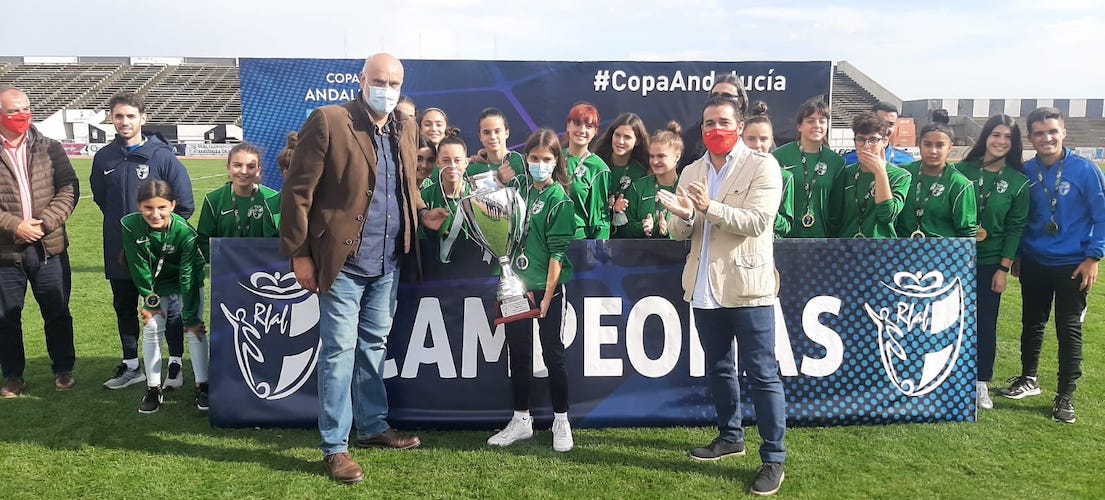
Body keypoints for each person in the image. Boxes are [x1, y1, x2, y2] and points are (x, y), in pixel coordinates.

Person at [280, 53, 448, 484]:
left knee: (373, 347)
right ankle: (335, 447)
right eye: (379, 80)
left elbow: (404, 187)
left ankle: (372, 426)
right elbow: (298, 194)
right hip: (344, 263)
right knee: (338, 353)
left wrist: (423, 212)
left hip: (389, 261)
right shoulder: (329, 120)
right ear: (362, 80)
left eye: (394, 83)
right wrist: (299, 255)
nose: (386, 89)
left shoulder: (406, 127)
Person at [657, 93, 787, 496]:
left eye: (724, 122)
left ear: (740, 124)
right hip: (703, 288)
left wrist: (708, 207)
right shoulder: (692, 169)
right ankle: (731, 437)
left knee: (762, 374)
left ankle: (774, 458)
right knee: (719, 369)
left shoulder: (762, 165)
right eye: (709, 123)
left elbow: (757, 221)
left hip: (748, 288)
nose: (716, 130)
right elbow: (683, 232)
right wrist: (680, 217)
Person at [1001, 106, 1105, 424]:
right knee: (1032, 323)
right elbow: (1021, 218)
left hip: (1073, 264)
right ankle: (1029, 378)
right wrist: (1018, 254)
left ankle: (1066, 395)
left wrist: (1093, 257)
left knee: (1068, 329)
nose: (1046, 137)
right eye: (1039, 133)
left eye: (1052, 131)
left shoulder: (1085, 170)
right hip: (1034, 260)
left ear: (1063, 133)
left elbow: (1101, 216)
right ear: (1031, 137)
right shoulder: (1026, 172)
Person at [91, 91, 194, 391]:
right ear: (112, 118)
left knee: (169, 308)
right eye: (119, 116)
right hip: (119, 248)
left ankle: (175, 363)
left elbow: (184, 204)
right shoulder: (104, 158)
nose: (124, 121)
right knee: (123, 305)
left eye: (131, 116)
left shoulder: (161, 156)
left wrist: (161, 236)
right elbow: (103, 200)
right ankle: (132, 365)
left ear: (143, 119)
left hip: (159, 252)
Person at [485, 128, 576, 452]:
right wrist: (498, 180)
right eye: (534, 158)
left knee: (553, 353)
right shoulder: (519, 188)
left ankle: (561, 421)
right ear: (527, 159)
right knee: (519, 354)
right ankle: (521, 419)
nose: (539, 164)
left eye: (546, 159)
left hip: (546, 288)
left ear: (556, 162)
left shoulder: (559, 199)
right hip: (515, 286)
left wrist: (549, 296)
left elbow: (558, 253)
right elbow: (488, 208)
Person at [0, 86, 78, 397]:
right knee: (6, 317)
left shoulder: (51, 148)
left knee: (57, 311)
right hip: (5, 252)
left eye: (25, 108)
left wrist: (44, 223)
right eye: (12, 111)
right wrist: (15, 225)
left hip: (50, 247)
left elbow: (69, 188)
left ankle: (63, 369)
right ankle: (13, 375)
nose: (21, 115)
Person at [956, 115, 1029, 410]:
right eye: (996, 134)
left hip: (990, 262)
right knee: (950, 320)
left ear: (1014, 144)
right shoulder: (960, 171)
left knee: (985, 323)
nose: (1000, 141)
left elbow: (1016, 227)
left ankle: (980, 382)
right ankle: (950, 378)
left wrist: (1003, 267)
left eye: (1007, 137)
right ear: (985, 137)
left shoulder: (1018, 182)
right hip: (956, 260)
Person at [121, 180, 208, 414]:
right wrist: (150, 300)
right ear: (139, 206)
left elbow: (188, 274)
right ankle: (153, 388)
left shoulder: (185, 232)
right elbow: (138, 267)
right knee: (151, 328)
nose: (155, 214)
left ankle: (203, 386)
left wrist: (189, 313)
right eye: (148, 208)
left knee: (194, 328)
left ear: (172, 205)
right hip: (156, 285)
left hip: (186, 281)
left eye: (161, 207)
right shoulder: (130, 225)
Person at [828, 111, 912, 238]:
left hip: (881, 251)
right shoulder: (846, 173)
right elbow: (835, 217)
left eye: (873, 140)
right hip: (847, 249)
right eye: (861, 140)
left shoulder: (900, 176)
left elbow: (886, 216)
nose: (867, 146)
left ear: (884, 141)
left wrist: (880, 173)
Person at [896, 110, 977, 238]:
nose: (933, 151)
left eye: (940, 145)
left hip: (942, 255)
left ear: (950, 147)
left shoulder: (960, 184)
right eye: (927, 144)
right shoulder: (902, 174)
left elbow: (967, 232)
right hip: (900, 252)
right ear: (919, 144)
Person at [772, 96, 844, 238]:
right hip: (784, 239)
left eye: (822, 121)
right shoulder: (779, 156)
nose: (817, 125)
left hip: (821, 241)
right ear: (799, 126)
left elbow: (837, 211)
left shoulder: (837, 162)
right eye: (810, 121)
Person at [196, 143, 280, 260]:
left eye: (251, 166)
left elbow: (281, 239)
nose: (244, 171)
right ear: (228, 167)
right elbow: (204, 239)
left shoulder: (272, 198)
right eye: (237, 165)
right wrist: (218, 261)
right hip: (228, 271)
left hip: (264, 270)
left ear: (258, 170)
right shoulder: (213, 199)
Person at [419, 134, 480, 263]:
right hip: (435, 272)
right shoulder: (425, 196)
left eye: (457, 160)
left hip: (472, 269)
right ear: (438, 163)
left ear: (466, 162)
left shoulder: (479, 197)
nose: (452, 166)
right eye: (446, 160)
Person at [620, 122, 683, 239]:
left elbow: (695, 227)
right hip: (642, 254)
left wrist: (670, 230)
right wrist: (641, 227)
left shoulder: (685, 188)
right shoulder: (637, 187)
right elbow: (623, 227)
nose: (654, 161)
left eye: (661, 156)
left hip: (679, 255)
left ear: (677, 156)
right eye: (652, 156)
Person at [741, 101, 793, 238]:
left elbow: (786, 226)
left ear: (771, 141)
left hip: (769, 249)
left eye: (763, 139)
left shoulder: (785, 177)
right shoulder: (730, 173)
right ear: (741, 139)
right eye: (751, 139)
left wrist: (768, 212)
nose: (757, 145)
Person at [593, 112, 650, 236]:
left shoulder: (640, 172)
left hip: (626, 240)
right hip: (596, 235)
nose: (620, 141)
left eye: (627, 137)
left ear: (637, 141)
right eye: (617, 135)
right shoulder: (597, 164)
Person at [679, 72, 747, 170]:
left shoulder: (754, 130)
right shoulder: (693, 135)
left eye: (726, 96)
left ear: (740, 101)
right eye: (715, 96)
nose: (720, 100)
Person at [563, 102, 611, 239]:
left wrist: (597, 257)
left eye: (589, 126)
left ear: (595, 131)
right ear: (568, 125)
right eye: (577, 124)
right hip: (547, 240)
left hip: (577, 244)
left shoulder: (599, 168)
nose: (582, 130)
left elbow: (600, 221)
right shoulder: (554, 158)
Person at [842, 101, 915, 166]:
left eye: (891, 124)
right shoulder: (847, 161)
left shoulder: (906, 161)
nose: (886, 129)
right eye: (881, 122)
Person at [467, 108, 525, 180]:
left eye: (497, 131)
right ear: (480, 137)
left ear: (507, 133)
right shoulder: (472, 170)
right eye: (487, 132)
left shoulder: (523, 163)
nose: (493, 137)